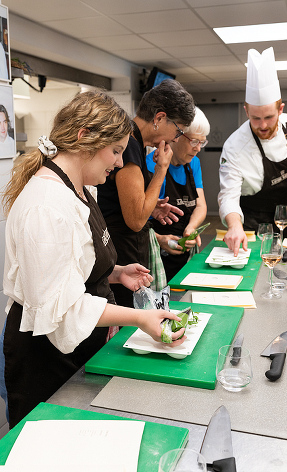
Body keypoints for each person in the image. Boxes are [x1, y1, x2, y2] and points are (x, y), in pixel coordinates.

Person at [0, 90, 186, 429]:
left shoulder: (79, 188)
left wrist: (114, 273)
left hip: (77, 348)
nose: (118, 163)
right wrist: (140, 318)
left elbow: (69, 265)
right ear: (84, 137)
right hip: (46, 357)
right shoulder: (47, 204)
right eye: (115, 151)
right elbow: (63, 307)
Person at [97, 79, 195, 307]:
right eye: (178, 130)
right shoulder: (129, 144)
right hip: (122, 253)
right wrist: (162, 169)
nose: (177, 139)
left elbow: (131, 203)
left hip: (126, 252)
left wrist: (152, 206)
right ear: (159, 118)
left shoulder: (136, 144)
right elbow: (134, 219)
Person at [218, 47, 287, 256]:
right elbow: (228, 195)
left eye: (269, 117)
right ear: (246, 110)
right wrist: (234, 225)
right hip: (248, 225)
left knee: (279, 266)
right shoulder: (234, 146)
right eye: (255, 118)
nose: (262, 125)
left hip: (281, 217)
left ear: (281, 109)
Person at [146, 107, 210, 281]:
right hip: (155, 257)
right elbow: (136, 219)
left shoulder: (193, 163)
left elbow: (200, 205)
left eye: (202, 143)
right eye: (194, 141)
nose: (198, 149)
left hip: (184, 254)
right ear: (176, 136)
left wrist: (191, 229)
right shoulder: (151, 166)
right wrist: (159, 239)